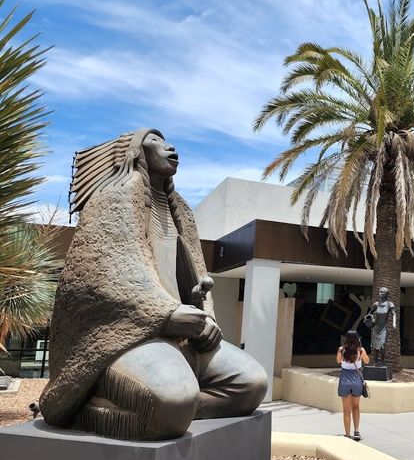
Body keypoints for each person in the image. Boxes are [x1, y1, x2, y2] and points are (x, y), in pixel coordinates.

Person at [40, 128, 268, 440]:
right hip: (131, 337)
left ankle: (172, 413)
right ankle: (93, 408)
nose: (169, 146)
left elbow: (195, 274)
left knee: (251, 384)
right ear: (136, 152)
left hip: (186, 337)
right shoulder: (111, 201)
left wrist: (205, 315)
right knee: (173, 398)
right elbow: (100, 278)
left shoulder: (182, 212)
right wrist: (166, 314)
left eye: (166, 140)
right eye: (155, 140)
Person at [336, 330, 370, 440]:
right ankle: (356, 431)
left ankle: (347, 434)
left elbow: (338, 361)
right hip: (356, 379)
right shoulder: (360, 350)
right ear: (357, 338)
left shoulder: (342, 350)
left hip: (345, 378)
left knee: (346, 409)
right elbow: (367, 361)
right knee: (356, 406)